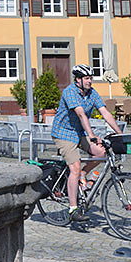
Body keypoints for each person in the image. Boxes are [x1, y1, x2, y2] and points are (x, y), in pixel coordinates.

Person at [51, 63, 122, 221]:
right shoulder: (70, 92)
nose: (90, 81)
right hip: (63, 134)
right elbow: (81, 114)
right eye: (87, 78)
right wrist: (91, 135)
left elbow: (105, 112)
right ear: (78, 80)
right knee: (74, 167)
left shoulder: (92, 93)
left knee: (101, 152)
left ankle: (84, 173)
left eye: (91, 78)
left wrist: (120, 133)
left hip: (79, 132)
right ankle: (73, 209)